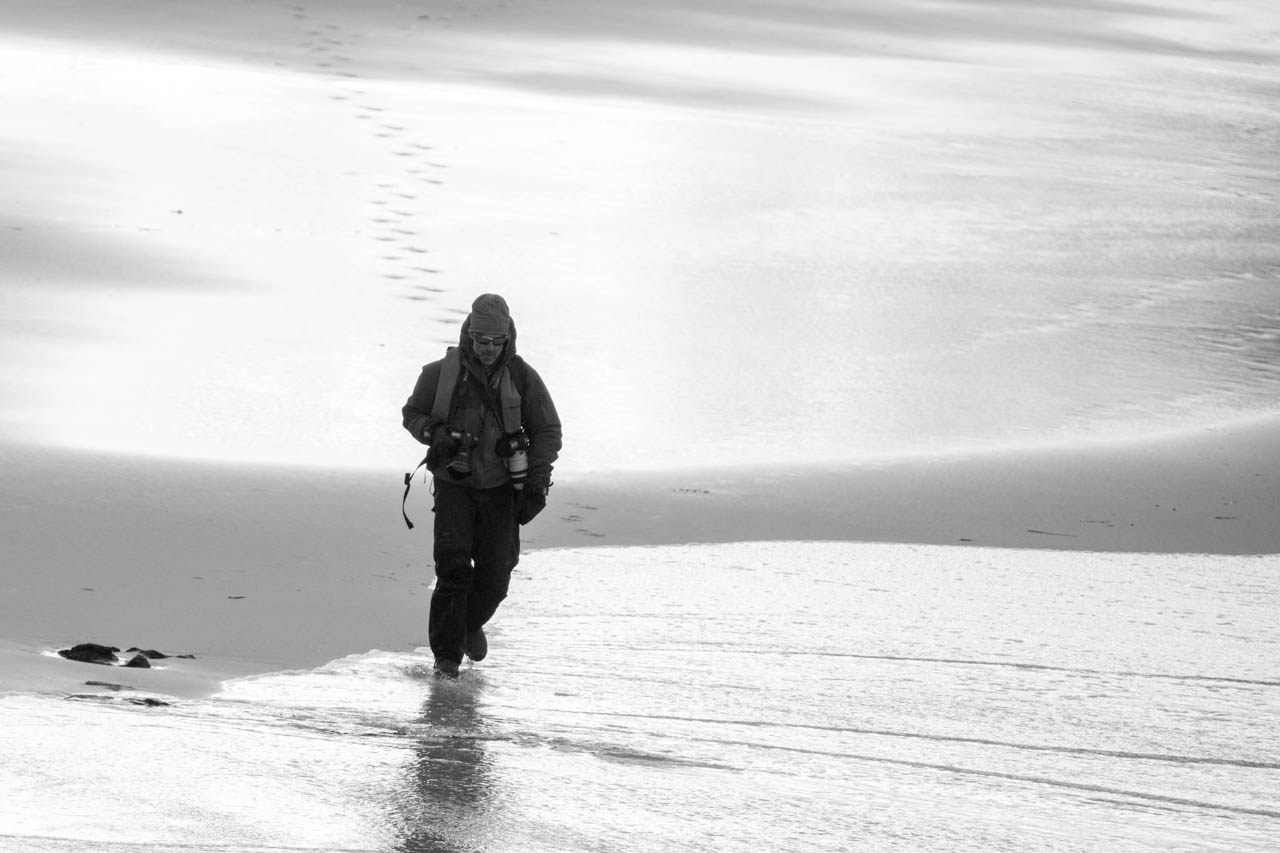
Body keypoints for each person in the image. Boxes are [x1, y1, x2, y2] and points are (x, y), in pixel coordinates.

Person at [402, 294, 562, 677]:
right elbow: (412, 414)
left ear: (508, 339)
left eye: (495, 342)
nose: (487, 348)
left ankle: (469, 626)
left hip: (502, 489)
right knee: (453, 570)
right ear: (469, 335)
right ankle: (446, 661)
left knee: (495, 579)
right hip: (453, 486)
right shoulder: (441, 373)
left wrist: (536, 482)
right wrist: (435, 433)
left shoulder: (523, 377)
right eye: (480, 340)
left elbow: (548, 431)